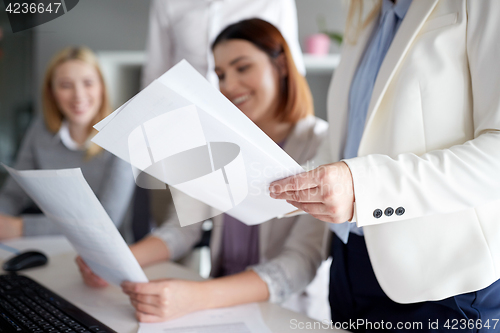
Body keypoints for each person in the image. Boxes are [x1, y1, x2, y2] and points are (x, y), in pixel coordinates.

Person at [77, 19, 329, 323]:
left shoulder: (321, 144)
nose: (229, 86)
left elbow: (300, 262)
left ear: (282, 66)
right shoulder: (218, 140)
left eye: (243, 67)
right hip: (218, 307)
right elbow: (182, 228)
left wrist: (194, 297)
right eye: (221, 74)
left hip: (286, 315)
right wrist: (116, 262)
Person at [269, 0, 500, 331]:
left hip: (442, 284)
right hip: (350, 265)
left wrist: (364, 187)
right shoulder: (368, 14)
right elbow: (343, 142)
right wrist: (267, 180)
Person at [0, 47, 135, 239]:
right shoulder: (40, 130)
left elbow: (107, 221)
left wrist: (22, 228)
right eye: (65, 85)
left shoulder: (121, 137)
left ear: (102, 87)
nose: (78, 95)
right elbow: (14, 194)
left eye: (88, 83)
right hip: (50, 244)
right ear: (52, 92)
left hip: (106, 249)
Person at [141, 0, 305, 88]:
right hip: (188, 117)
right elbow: (156, 70)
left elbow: (292, 68)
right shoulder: (167, 3)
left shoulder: (274, 2)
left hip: (254, 116)